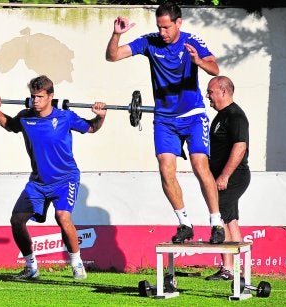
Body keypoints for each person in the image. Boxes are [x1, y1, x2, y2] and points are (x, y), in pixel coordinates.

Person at [105, 1, 225, 244]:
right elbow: (112, 56)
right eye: (159, 27)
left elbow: (215, 68)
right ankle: (184, 223)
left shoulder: (192, 41)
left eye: (167, 27)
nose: (163, 32)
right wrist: (116, 34)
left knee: (200, 165)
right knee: (165, 168)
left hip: (192, 115)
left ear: (178, 23)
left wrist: (198, 62)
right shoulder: (150, 41)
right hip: (165, 119)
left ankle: (216, 223)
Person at [0, 75, 106, 280]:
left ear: (50, 96)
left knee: (62, 217)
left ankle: (77, 263)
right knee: (16, 220)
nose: (35, 101)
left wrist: (101, 115)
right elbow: (9, 125)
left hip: (65, 179)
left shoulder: (65, 117)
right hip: (38, 182)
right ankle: (31, 266)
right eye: (33, 96)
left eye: (40, 97)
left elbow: (92, 127)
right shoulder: (25, 117)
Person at [205, 76, 250, 280]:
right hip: (225, 177)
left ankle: (228, 270)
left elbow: (240, 147)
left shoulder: (236, 116)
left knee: (219, 216)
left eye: (211, 92)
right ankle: (240, 269)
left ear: (223, 91)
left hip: (233, 177)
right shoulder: (221, 116)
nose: (208, 96)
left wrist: (224, 176)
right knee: (230, 219)